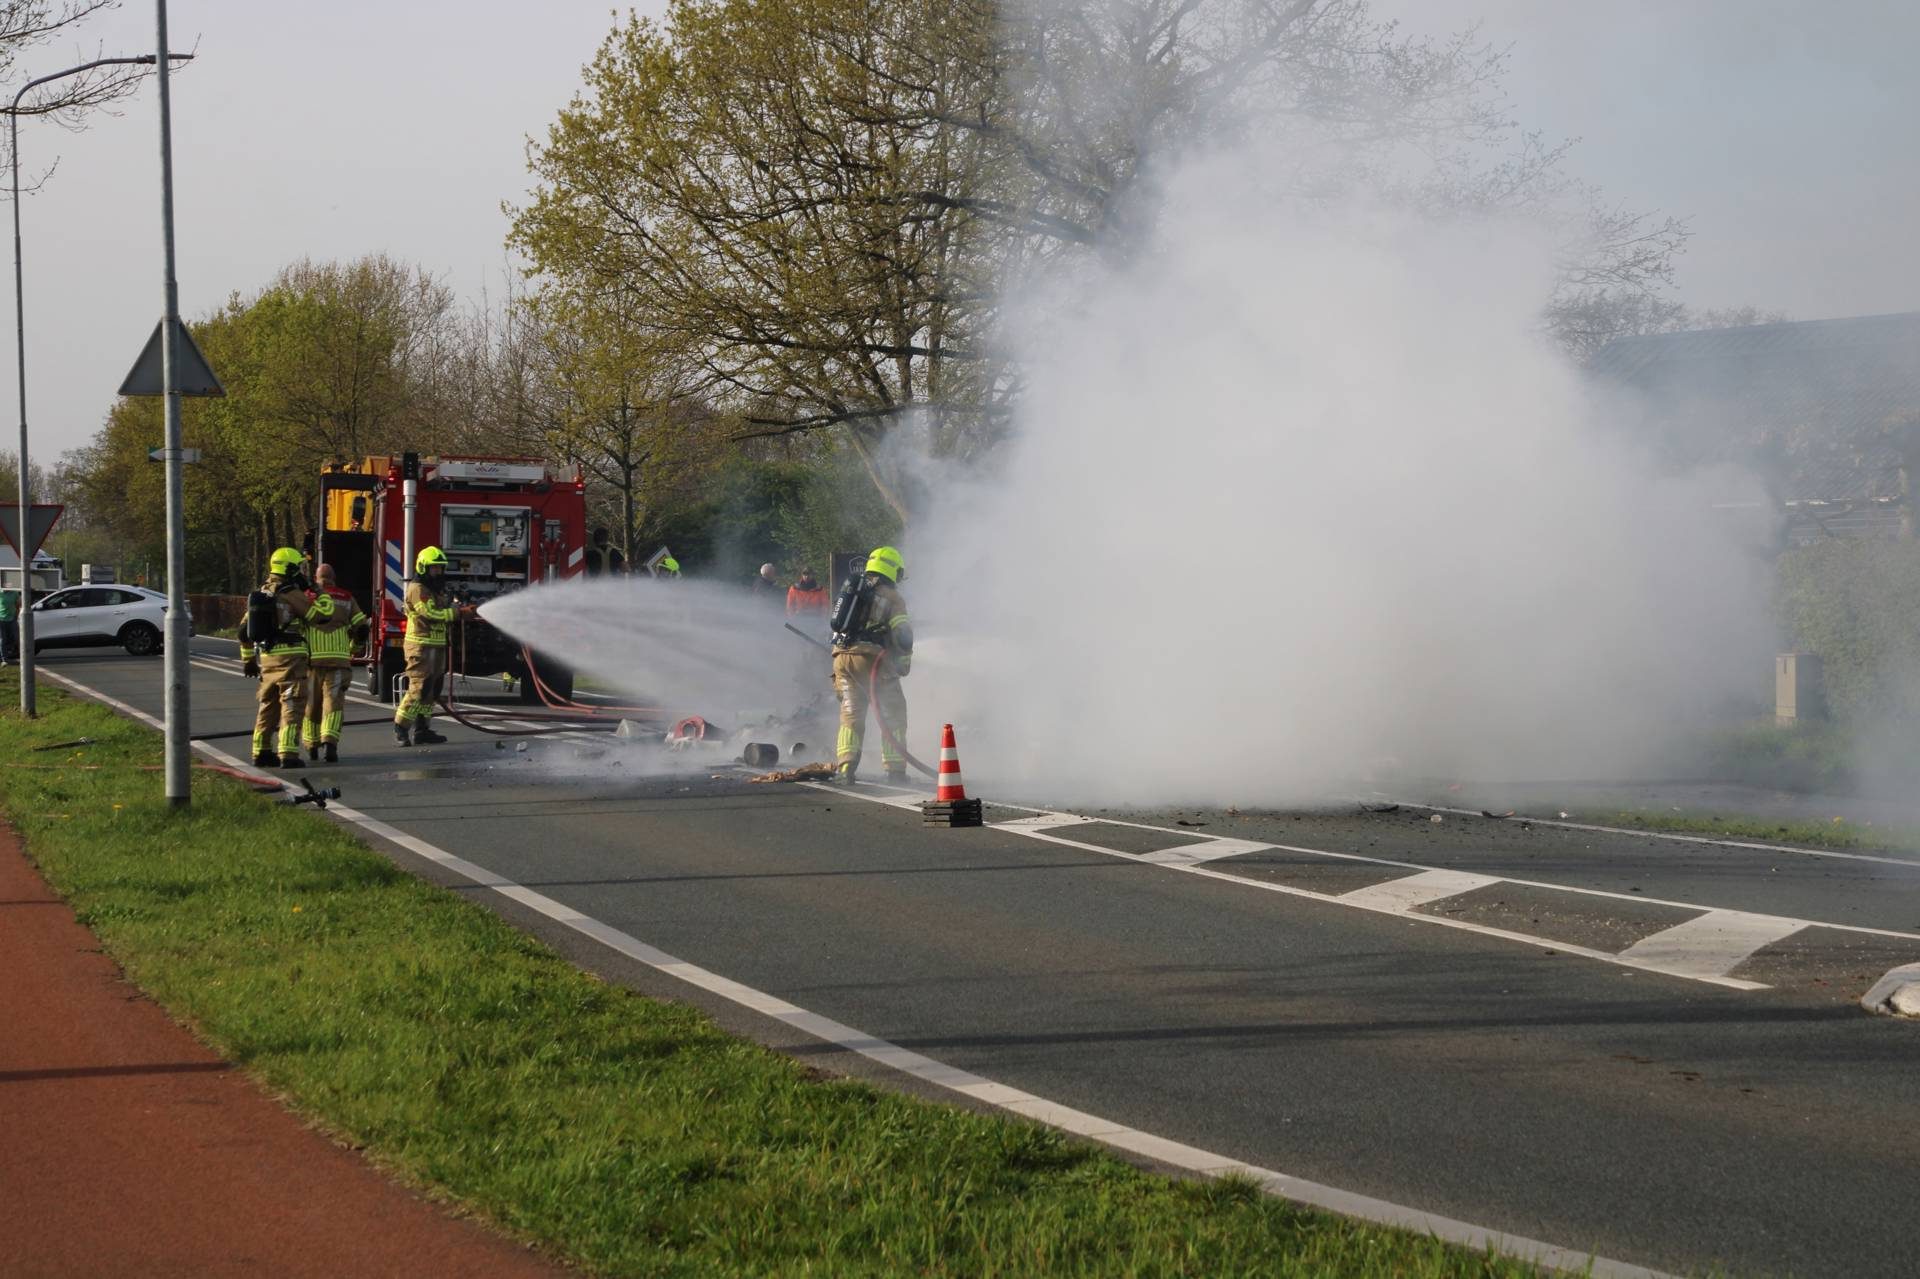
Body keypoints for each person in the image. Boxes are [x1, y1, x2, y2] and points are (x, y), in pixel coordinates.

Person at [240, 547, 334, 769]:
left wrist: (249, 661)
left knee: (268, 705)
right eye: (299, 568)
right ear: (290, 569)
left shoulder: (261, 593)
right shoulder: (291, 593)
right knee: (293, 704)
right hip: (291, 658)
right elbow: (322, 615)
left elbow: (243, 632)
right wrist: (316, 590)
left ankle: (261, 751)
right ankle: (288, 753)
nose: (302, 572)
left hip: (267, 658)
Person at [829, 546, 913, 784]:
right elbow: (903, 634)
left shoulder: (855, 588)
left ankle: (845, 768)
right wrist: (904, 660)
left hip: (842, 659)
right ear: (893, 570)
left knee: (851, 714)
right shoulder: (892, 597)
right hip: (872, 659)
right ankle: (895, 771)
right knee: (893, 713)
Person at [393, 546, 462, 747]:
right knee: (419, 688)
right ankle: (401, 727)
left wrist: (455, 606)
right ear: (423, 568)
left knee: (432, 689)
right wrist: (455, 613)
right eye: (434, 568)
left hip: (437, 646)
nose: (438, 572)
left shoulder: (434, 589)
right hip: (420, 646)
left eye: (440, 568)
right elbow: (429, 614)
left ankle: (422, 730)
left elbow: (442, 608)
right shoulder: (418, 589)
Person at [300, 564, 368, 764]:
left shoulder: (306, 596)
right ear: (334, 578)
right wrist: (354, 648)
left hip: (311, 660)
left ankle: (311, 746)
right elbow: (362, 628)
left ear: (317, 578)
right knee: (333, 702)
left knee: (311, 704)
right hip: (338, 659)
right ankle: (330, 743)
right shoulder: (346, 598)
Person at [0, 582, 17, 665]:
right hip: (1, 619)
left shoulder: (14, 593)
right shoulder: (0, 593)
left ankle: (6, 655)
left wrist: (17, 615)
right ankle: (4, 659)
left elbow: (18, 604)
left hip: (11, 619)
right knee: (3, 639)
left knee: (12, 638)